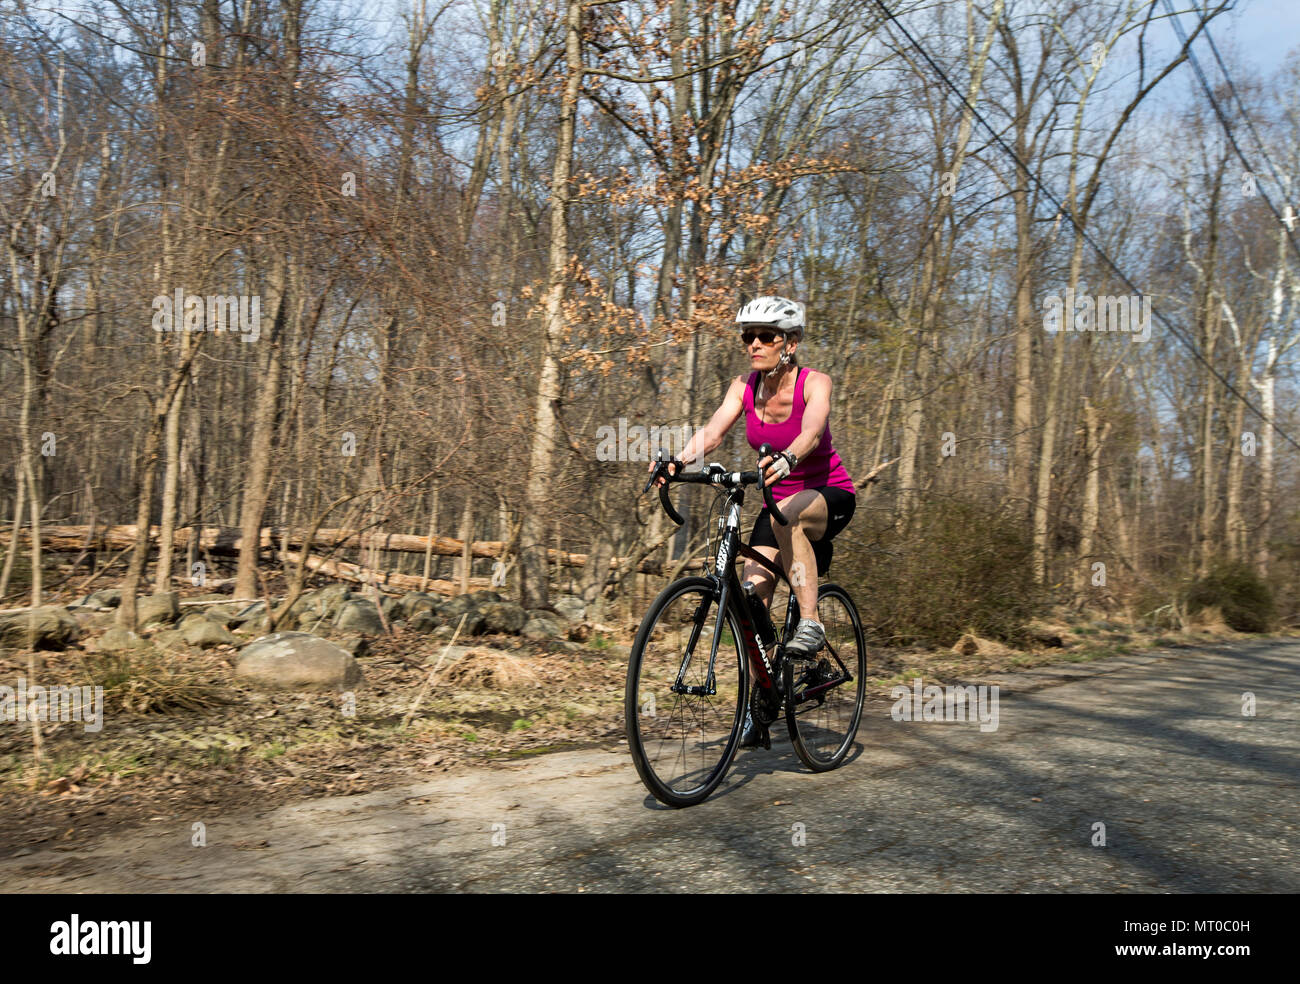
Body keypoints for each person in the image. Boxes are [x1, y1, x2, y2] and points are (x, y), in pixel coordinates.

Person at [649, 295, 857, 746]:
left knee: (790, 518)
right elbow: (715, 429)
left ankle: (811, 622)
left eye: (765, 336)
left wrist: (789, 457)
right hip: (775, 503)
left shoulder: (814, 382)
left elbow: (813, 429)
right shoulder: (743, 386)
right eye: (748, 336)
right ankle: (762, 703)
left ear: (791, 343)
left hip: (828, 495)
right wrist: (676, 462)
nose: (754, 344)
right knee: (749, 598)